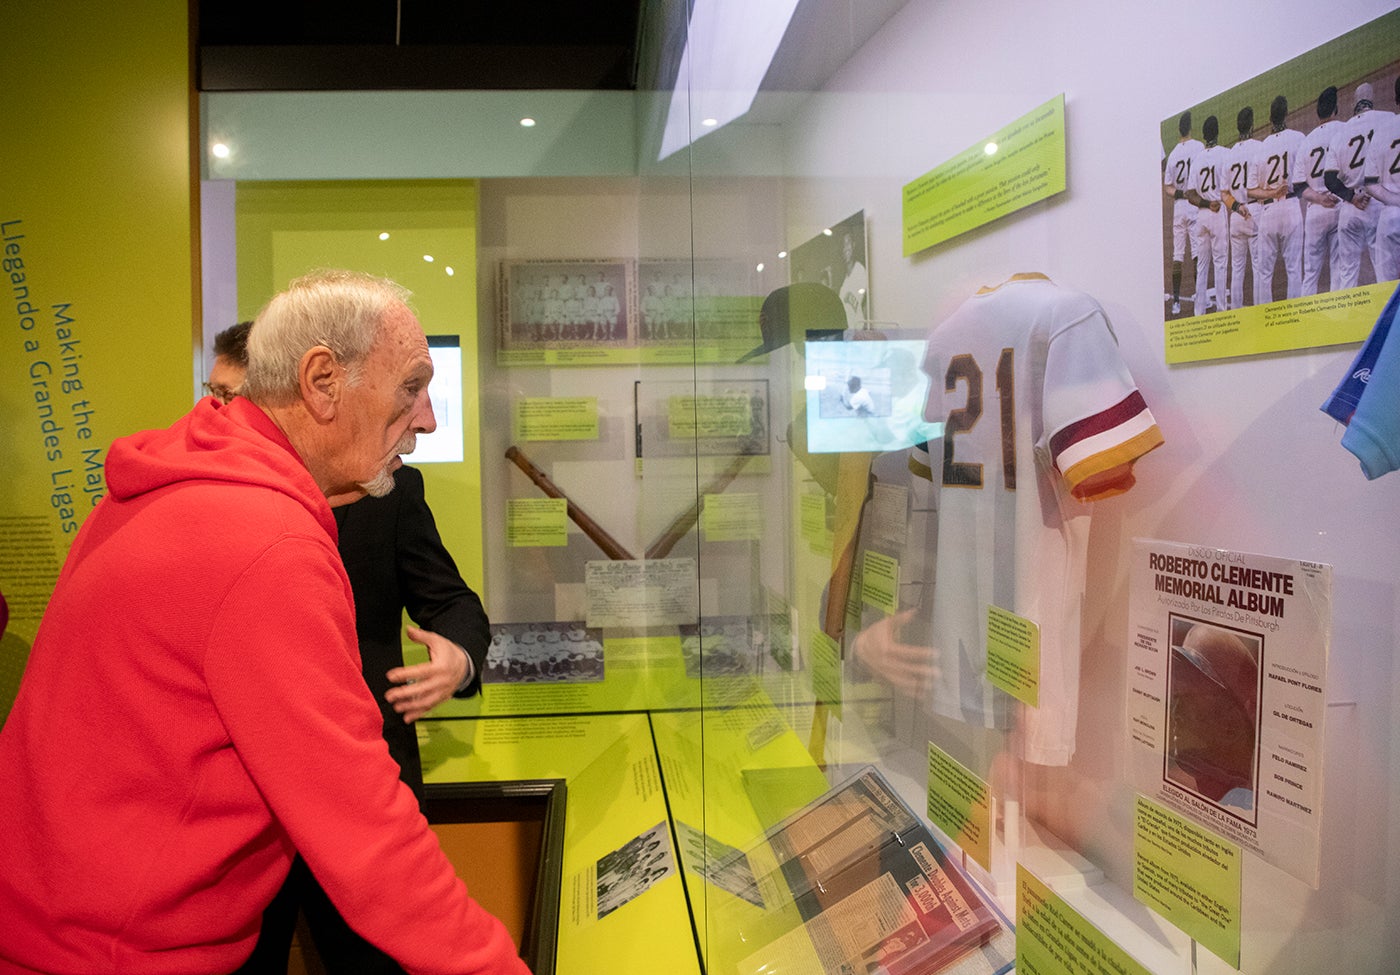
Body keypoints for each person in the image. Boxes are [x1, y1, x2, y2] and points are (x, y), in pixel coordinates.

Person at [0, 270, 529, 975]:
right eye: (410, 385)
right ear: (321, 380)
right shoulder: (266, 541)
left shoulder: (173, 481)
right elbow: (368, 836)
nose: (428, 418)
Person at [203, 321, 495, 972]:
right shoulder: (200, 503)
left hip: (366, 789)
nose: (216, 414)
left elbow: (453, 602)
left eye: (232, 396)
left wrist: (456, 656)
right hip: (244, 814)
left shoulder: (384, 488)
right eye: (212, 393)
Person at [1250, 95, 1304, 302]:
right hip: (1291, 207)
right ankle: (1293, 319)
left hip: (1268, 212)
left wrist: (1271, 193)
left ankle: (1264, 318)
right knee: (1293, 268)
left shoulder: (1261, 148)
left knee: (1264, 273)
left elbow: (1251, 190)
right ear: (1287, 113)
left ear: (1270, 118)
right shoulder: (1298, 138)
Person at [1297, 86, 1344, 295]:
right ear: (1336, 108)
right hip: (1341, 204)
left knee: (1310, 271)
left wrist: (1318, 198)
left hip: (1315, 210)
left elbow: (1298, 185)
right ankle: (1337, 317)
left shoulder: (1307, 141)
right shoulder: (1346, 129)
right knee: (1338, 266)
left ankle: (1308, 319)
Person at [1186, 115, 1230, 314]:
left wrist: (1205, 203)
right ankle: (1221, 309)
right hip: (1218, 212)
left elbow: (1189, 194)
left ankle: (1199, 312)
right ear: (1217, 132)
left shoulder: (1197, 160)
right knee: (1220, 264)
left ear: (1204, 135)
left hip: (1201, 216)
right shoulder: (1225, 154)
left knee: (1202, 265)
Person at [1163, 111, 1203, 315]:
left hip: (1179, 207)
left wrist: (1180, 192)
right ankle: (1199, 296)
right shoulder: (1199, 147)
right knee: (1197, 251)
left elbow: (1168, 187)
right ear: (1190, 127)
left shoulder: (1172, 155)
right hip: (1194, 204)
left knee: (1178, 254)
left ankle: (1176, 301)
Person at [1223, 107, 1260, 309]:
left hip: (1236, 215)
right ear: (1252, 124)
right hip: (1255, 212)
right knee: (1258, 267)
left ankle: (1237, 311)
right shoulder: (1260, 148)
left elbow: (1223, 193)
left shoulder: (1229, 155)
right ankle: (1258, 311)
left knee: (1237, 269)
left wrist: (1237, 206)